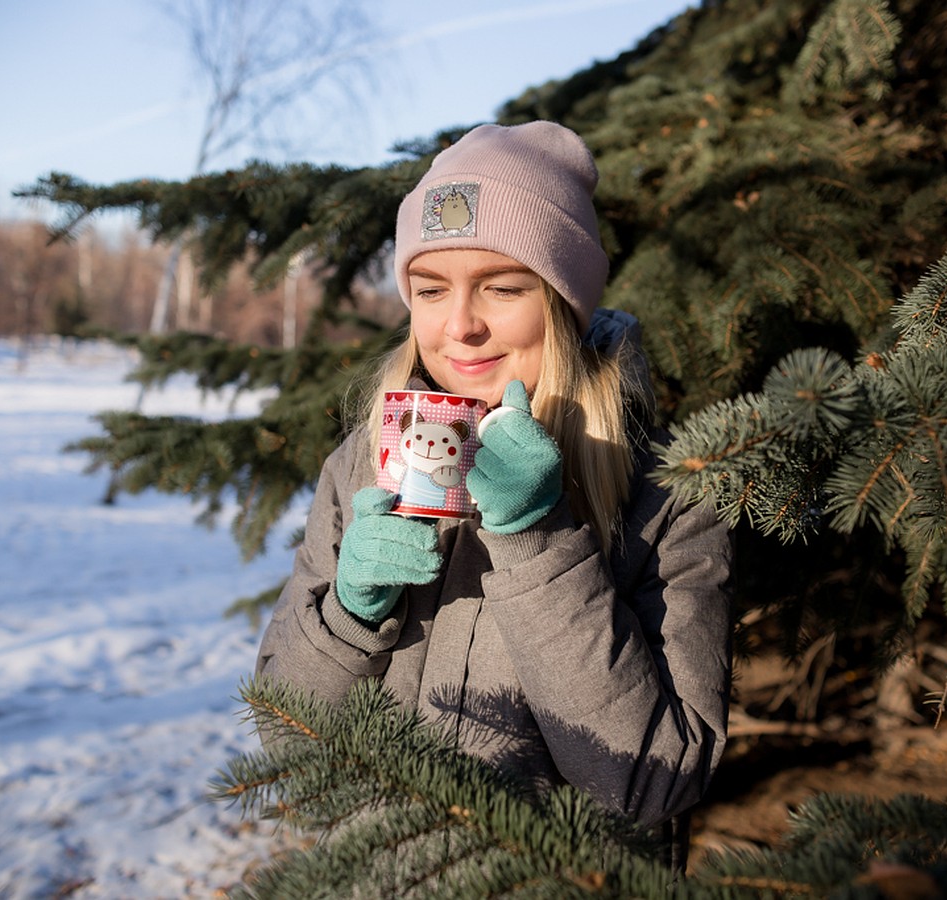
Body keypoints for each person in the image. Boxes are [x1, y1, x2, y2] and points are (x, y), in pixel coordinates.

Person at [256, 121, 733, 847]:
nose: (459, 326)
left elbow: (651, 783)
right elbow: (286, 744)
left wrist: (540, 542)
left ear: (565, 304)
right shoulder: (363, 464)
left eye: (503, 287)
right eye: (429, 288)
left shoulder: (669, 492)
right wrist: (347, 618)